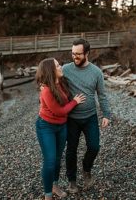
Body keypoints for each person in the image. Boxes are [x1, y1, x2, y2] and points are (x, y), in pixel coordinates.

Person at [61, 38, 112, 193]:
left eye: (78, 54)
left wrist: (106, 114)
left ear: (87, 53)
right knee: (71, 150)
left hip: (90, 117)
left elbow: (102, 95)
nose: (75, 57)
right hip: (71, 118)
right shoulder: (65, 69)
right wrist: (43, 84)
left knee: (94, 147)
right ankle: (72, 181)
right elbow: (51, 80)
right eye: (73, 53)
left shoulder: (96, 72)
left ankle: (86, 169)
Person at [35, 57, 87, 200]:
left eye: (59, 64)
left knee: (57, 158)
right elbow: (59, 111)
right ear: (51, 70)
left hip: (61, 126)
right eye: (58, 65)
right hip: (46, 127)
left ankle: (55, 185)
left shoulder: (61, 82)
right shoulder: (46, 90)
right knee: (50, 160)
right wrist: (75, 102)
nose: (61, 67)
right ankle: (48, 195)